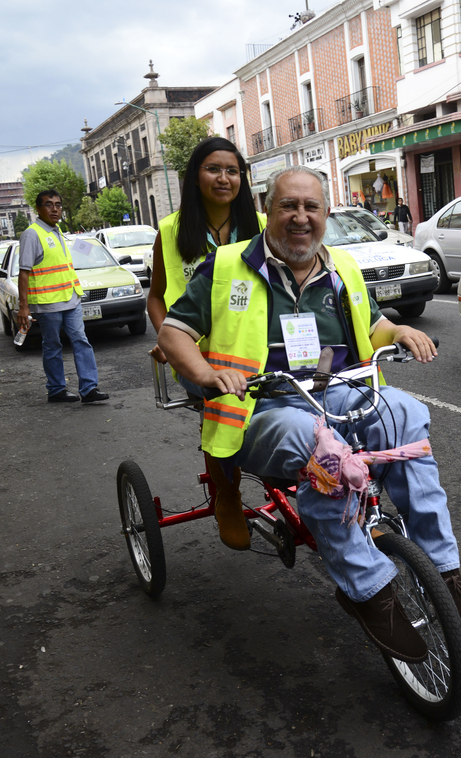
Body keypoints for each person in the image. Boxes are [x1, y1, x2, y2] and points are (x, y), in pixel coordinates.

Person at [157, 166, 461, 663]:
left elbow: (372, 326)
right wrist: (206, 374)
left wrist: (398, 333)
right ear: (269, 207)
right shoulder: (224, 268)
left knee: (406, 413)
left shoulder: (342, 268)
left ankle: (442, 568)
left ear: (326, 213)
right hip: (263, 408)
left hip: (340, 392)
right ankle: (367, 590)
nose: (300, 218)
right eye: (289, 206)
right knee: (320, 448)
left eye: (311, 207)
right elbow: (173, 332)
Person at [147, 137, 266, 542]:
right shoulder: (170, 231)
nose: (224, 178)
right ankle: (227, 496)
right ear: (195, 177)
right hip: (198, 353)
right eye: (214, 169)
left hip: (256, 346)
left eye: (233, 171)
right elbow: (156, 295)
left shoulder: (263, 227)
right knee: (222, 395)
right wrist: (167, 342)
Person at [16, 189, 109, 404]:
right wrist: (24, 307)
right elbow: (24, 272)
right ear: (38, 209)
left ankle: (88, 389)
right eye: (49, 204)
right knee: (52, 345)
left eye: (58, 204)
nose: (55, 209)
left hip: (71, 298)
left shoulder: (57, 232)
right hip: (48, 303)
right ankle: (56, 389)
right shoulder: (32, 234)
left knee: (81, 340)